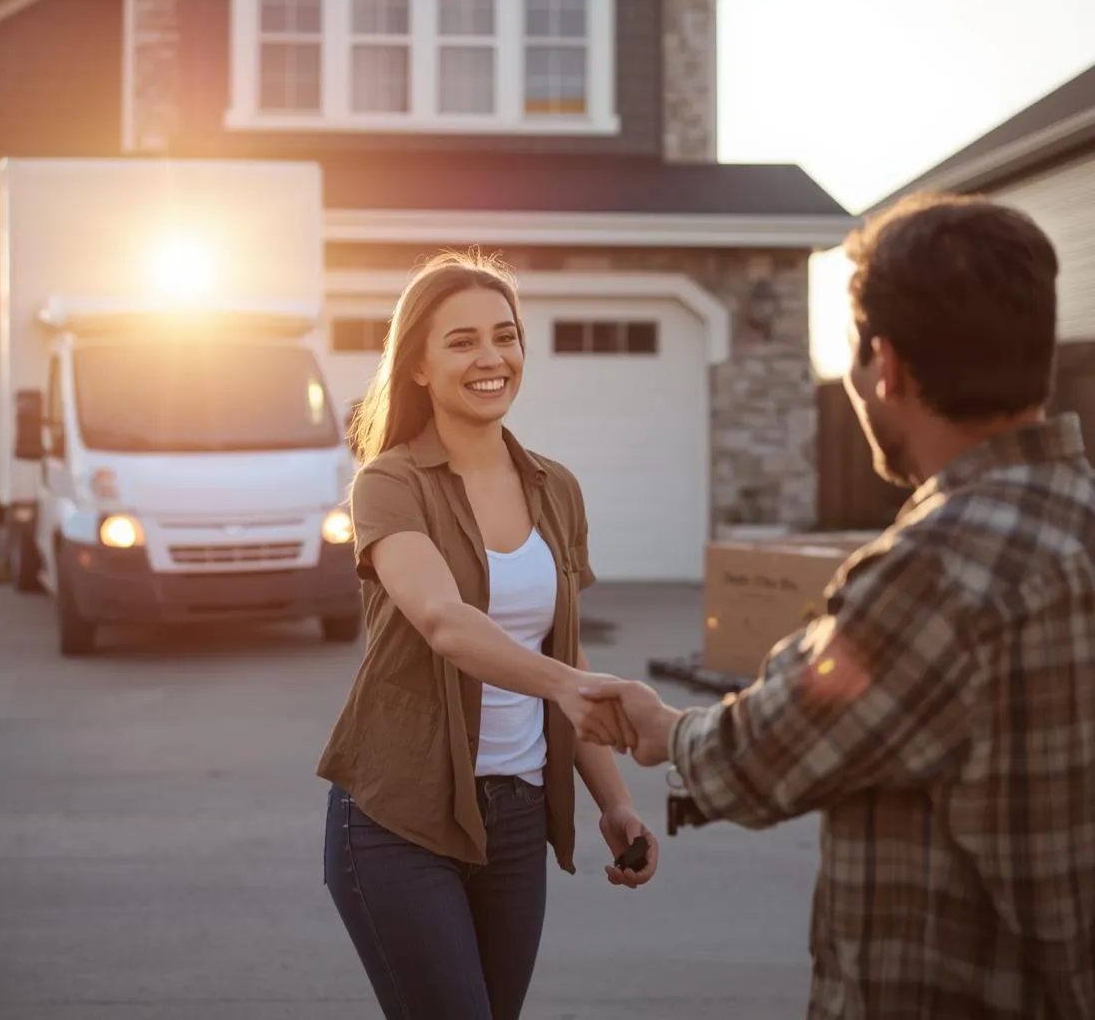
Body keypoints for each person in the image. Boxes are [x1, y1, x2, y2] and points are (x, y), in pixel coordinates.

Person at [581, 193, 1095, 1019]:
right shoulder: (1077, 516)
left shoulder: (936, 569)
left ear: (885, 365)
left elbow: (764, 755)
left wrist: (662, 730)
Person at [317, 250, 659, 1020]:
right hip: (398, 814)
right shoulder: (390, 484)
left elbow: (563, 651)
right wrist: (571, 689)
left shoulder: (555, 487)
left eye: (505, 337)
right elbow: (442, 621)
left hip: (516, 813)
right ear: (418, 367)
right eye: (462, 341)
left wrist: (612, 802)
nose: (491, 358)